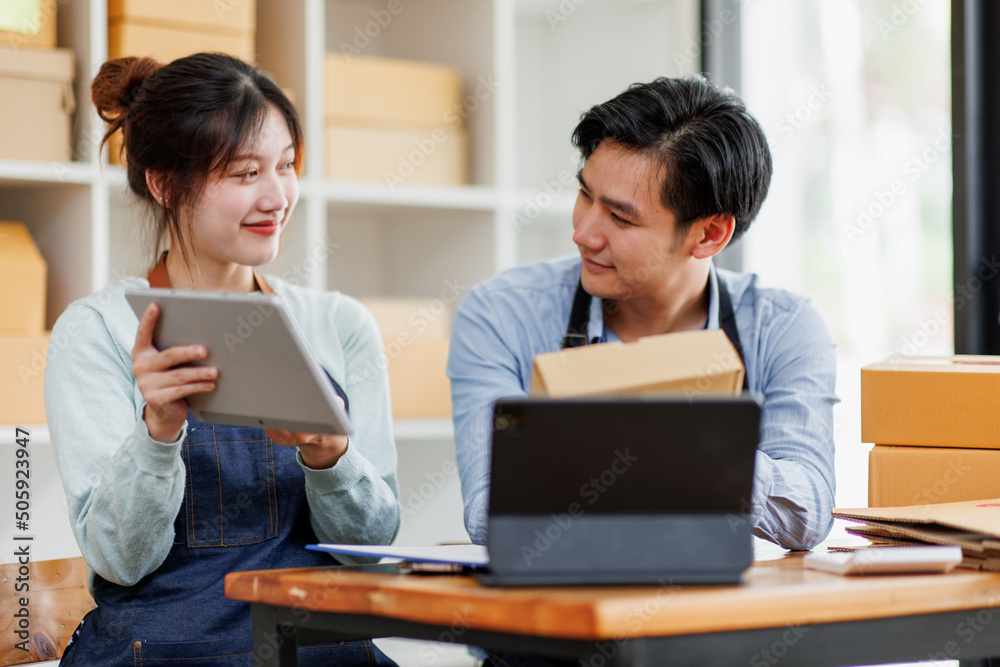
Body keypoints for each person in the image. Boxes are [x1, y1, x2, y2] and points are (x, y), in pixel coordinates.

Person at [44, 53, 400, 666]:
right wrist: (158, 433)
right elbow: (119, 560)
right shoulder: (97, 333)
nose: (277, 196)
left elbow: (372, 549)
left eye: (286, 166)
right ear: (163, 183)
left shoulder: (339, 325)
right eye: (244, 173)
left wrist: (329, 456)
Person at [448, 75, 838, 560]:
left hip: (716, 619)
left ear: (710, 234)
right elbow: (490, 512)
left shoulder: (783, 327)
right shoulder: (502, 314)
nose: (584, 233)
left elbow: (808, 513)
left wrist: (687, 448)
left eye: (621, 218)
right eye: (585, 195)